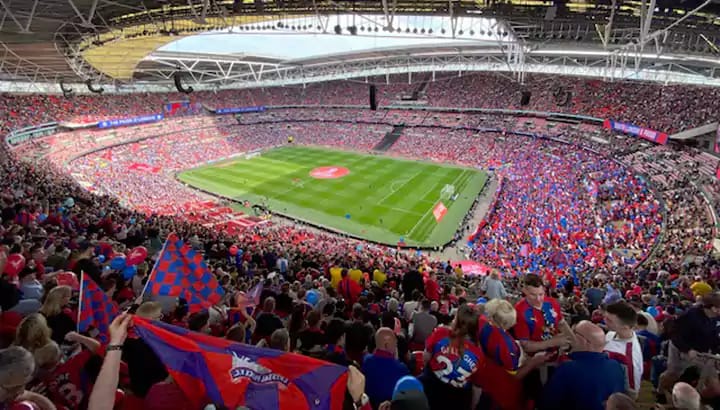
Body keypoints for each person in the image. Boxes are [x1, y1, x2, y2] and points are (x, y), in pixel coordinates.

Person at [475, 299, 549, 409]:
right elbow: (514, 377)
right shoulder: (506, 345)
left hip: (483, 376)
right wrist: (534, 361)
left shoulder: (481, 322)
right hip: (500, 391)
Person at [539, 321, 626, 410]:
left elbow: (547, 404)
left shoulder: (567, 369)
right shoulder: (616, 366)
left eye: (573, 333)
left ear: (582, 340)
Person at [421, 304, 483, 410]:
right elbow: (477, 387)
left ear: (456, 320)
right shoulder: (479, 354)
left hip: (431, 387)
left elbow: (426, 357)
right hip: (457, 399)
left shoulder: (441, 333)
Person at [660, 293, 720, 399]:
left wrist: (716, 353)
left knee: (712, 384)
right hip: (680, 348)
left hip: (702, 353)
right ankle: (660, 391)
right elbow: (675, 335)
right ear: (714, 308)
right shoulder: (691, 315)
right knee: (673, 373)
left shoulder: (715, 319)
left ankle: (695, 401)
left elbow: (714, 337)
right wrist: (688, 350)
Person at [362, 327, 410, 408]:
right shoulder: (401, 368)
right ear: (387, 345)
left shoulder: (365, 360)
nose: (396, 347)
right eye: (395, 344)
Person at [604, 300, 643, 398]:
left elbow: (632, 393)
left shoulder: (630, 357)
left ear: (625, 327)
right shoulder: (612, 333)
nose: (604, 320)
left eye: (609, 320)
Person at [0, 346, 56, 410]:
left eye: (24, 385)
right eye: (17, 386)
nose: (21, 391)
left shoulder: (7, 390)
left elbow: (34, 397)